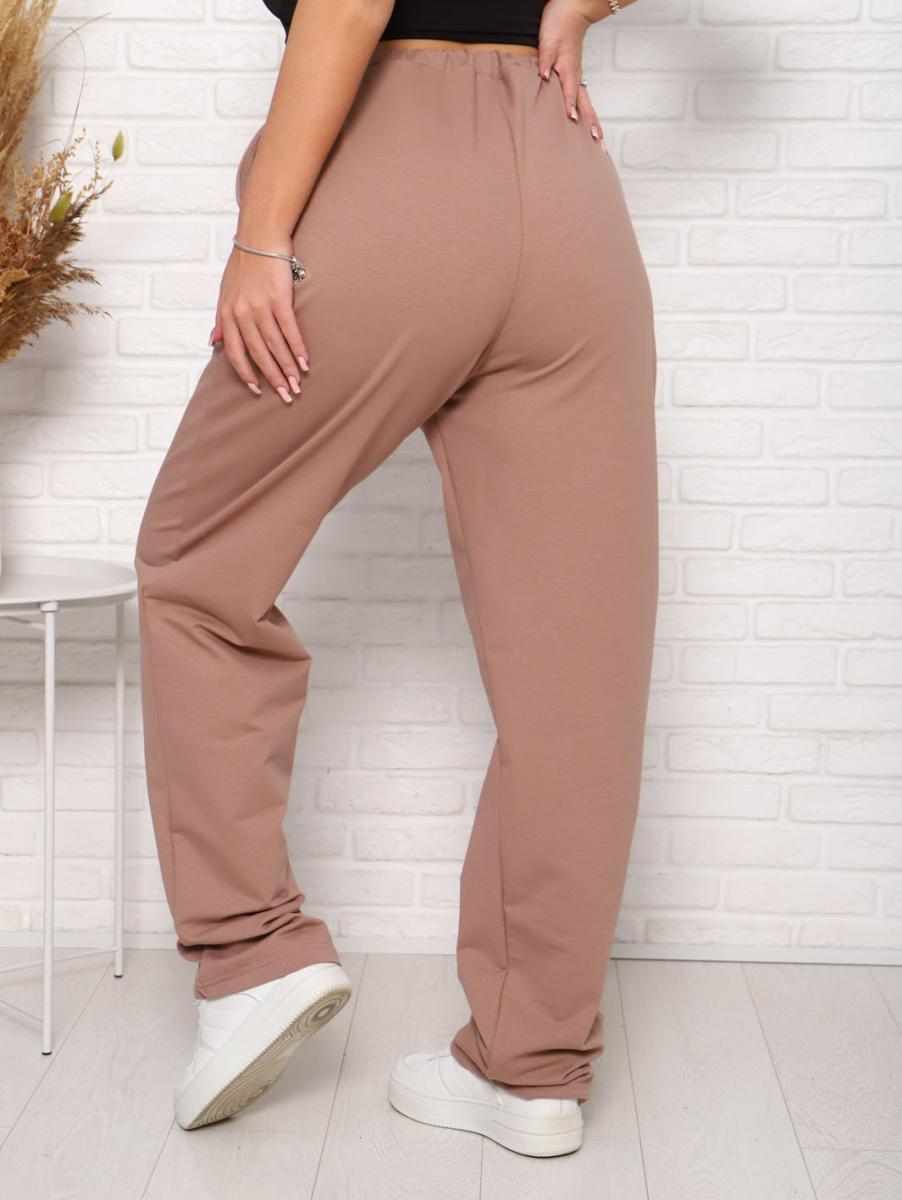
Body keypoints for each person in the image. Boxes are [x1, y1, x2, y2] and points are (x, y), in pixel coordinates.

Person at [132, 0, 656, 1159]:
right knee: (576, 668)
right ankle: (531, 1069)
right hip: (568, 185)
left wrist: (262, 235)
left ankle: (250, 955)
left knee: (196, 561)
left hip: (395, 171)